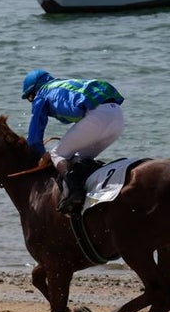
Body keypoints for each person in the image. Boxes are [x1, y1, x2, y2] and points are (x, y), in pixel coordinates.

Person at [21, 69, 125, 215]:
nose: (32, 101)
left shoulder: (42, 94)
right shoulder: (62, 85)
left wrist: (40, 154)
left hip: (98, 116)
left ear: (35, 89)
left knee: (57, 154)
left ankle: (75, 193)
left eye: (30, 97)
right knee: (79, 158)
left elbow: (34, 137)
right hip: (118, 118)